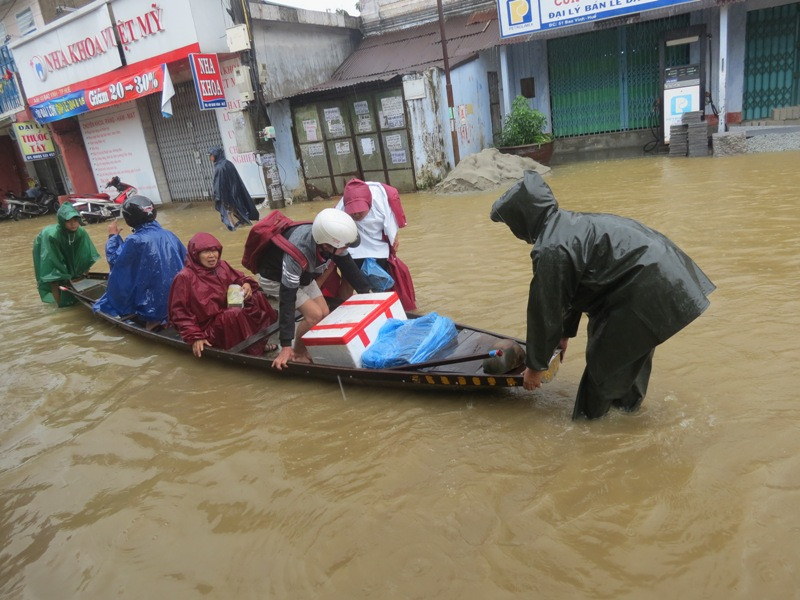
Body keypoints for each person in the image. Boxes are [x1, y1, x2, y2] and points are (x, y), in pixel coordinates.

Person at [489, 171, 715, 420]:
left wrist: (534, 367)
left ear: (523, 219)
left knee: (603, 369)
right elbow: (574, 288)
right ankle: (626, 420)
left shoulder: (551, 248)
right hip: (664, 275)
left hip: (642, 287)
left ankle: (591, 429)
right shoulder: (567, 224)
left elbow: (545, 309)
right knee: (630, 358)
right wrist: (564, 334)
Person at [245, 208, 372, 370]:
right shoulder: (297, 252)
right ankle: (297, 354)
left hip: (303, 274)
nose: (346, 249)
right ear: (326, 245)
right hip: (275, 278)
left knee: (324, 312)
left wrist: (369, 294)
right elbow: (287, 298)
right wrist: (285, 346)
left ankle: (307, 347)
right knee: (314, 315)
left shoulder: (331, 241)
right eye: (344, 246)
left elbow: (349, 267)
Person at [168, 232, 277, 358]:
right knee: (233, 314)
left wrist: (246, 284)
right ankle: (250, 350)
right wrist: (195, 336)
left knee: (256, 296)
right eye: (206, 252)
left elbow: (239, 278)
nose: (212, 256)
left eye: (215, 251)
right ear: (195, 255)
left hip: (228, 314)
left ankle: (259, 343)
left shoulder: (222, 265)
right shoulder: (185, 277)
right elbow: (179, 313)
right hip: (207, 329)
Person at [93, 196, 187, 329]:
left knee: (115, 294)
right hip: (180, 298)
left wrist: (113, 237)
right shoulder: (169, 234)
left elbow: (115, 260)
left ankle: (152, 323)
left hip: (155, 303)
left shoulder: (135, 240)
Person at [331, 178, 416, 309]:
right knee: (347, 281)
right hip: (352, 246)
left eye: (360, 210)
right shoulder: (341, 208)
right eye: (352, 211)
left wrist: (393, 244)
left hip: (377, 246)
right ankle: (341, 311)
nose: (356, 214)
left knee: (378, 281)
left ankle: (377, 310)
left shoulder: (381, 201)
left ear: (369, 204)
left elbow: (393, 234)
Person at [33, 202, 100, 307]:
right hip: (46, 245)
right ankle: (60, 305)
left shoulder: (81, 232)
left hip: (67, 245)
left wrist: (84, 272)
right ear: (62, 222)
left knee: (77, 273)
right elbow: (53, 259)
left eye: (75, 220)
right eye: (68, 221)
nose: (73, 224)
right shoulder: (53, 236)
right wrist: (65, 275)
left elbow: (86, 254)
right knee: (54, 278)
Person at [209, 147, 260, 231]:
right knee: (237, 210)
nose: (210, 158)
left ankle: (235, 228)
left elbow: (218, 185)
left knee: (228, 212)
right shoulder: (228, 163)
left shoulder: (219, 168)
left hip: (226, 195)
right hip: (235, 192)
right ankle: (244, 224)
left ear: (215, 155)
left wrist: (217, 197)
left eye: (211, 156)